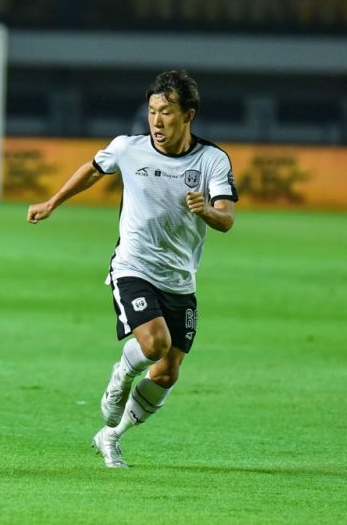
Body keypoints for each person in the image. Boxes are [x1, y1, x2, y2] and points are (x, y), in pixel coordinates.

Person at [27, 70, 237, 468]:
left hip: (181, 278)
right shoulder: (128, 148)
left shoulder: (212, 160)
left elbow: (226, 219)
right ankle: (121, 377)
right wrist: (52, 202)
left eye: (167, 112)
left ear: (188, 115)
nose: (157, 121)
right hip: (133, 266)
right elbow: (92, 169)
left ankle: (111, 435)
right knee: (154, 343)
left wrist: (206, 210)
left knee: (166, 373)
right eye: (153, 111)